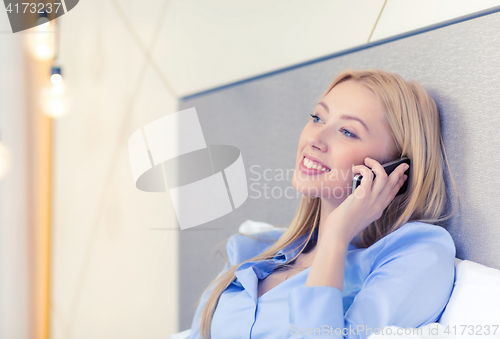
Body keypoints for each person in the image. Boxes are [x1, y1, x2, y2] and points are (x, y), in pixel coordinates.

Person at [187, 69, 459, 339]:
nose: (314, 139)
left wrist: (336, 237)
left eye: (347, 131)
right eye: (318, 118)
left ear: (396, 168)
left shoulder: (417, 255)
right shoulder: (254, 251)